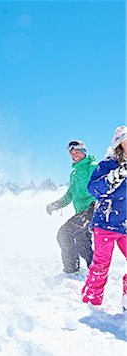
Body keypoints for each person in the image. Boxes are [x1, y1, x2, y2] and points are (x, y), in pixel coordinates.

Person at [81, 126, 127, 308]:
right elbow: (94, 189)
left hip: (126, 225)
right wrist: (114, 177)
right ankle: (91, 301)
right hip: (106, 224)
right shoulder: (107, 165)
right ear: (119, 144)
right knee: (101, 264)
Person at [46, 140, 98, 274]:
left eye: (77, 152)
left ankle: (71, 269)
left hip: (92, 210)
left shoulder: (92, 166)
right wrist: (57, 204)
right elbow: (70, 194)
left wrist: (94, 206)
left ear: (84, 151)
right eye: (72, 153)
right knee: (82, 243)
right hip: (82, 212)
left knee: (63, 234)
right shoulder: (74, 173)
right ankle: (96, 269)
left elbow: (102, 186)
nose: (74, 155)